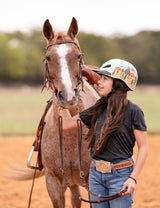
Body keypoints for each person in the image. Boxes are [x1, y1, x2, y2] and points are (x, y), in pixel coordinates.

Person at [61, 58, 148, 208]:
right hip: (95, 175)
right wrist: (59, 99)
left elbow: (144, 147)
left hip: (120, 176)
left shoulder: (134, 111)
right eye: (100, 78)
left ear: (118, 84)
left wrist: (133, 178)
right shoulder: (97, 109)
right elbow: (68, 124)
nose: (98, 82)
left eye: (104, 79)